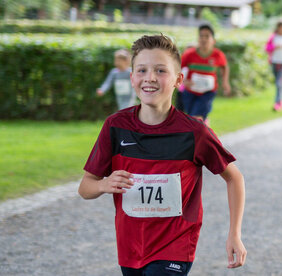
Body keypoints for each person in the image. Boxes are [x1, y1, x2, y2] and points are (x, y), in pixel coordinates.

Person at [78, 34, 247, 275]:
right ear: (132, 77)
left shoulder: (195, 132)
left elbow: (234, 178)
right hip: (130, 248)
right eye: (142, 70)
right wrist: (104, 184)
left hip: (175, 246)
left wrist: (235, 234)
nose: (150, 78)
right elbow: (85, 187)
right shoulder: (115, 127)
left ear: (179, 79)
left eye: (160, 70)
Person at [179, 24, 231, 124]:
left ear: (213, 40)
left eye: (207, 36)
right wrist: (184, 81)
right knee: (191, 117)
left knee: (196, 118)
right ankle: (204, 125)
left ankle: (200, 129)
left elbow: (224, 67)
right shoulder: (189, 54)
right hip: (190, 91)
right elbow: (177, 69)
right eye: (201, 36)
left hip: (208, 92)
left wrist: (225, 82)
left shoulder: (218, 55)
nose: (203, 39)